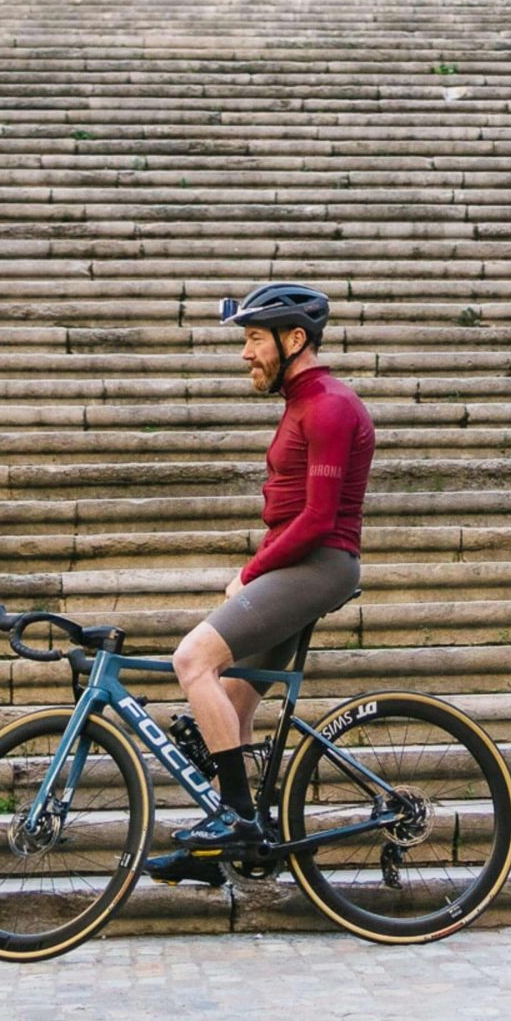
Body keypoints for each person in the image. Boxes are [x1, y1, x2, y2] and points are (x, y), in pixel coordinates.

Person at [149, 283, 375, 884]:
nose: (246, 354)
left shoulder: (328, 405)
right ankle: (224, 852)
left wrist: (251, 573)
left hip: (320, 565)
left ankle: (240, 823)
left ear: (293, 339)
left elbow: (318, 519)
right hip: (298, 564)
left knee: (193, 660)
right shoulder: (302, 403)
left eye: (253, 339)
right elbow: (290, 512)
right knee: (233, 703)